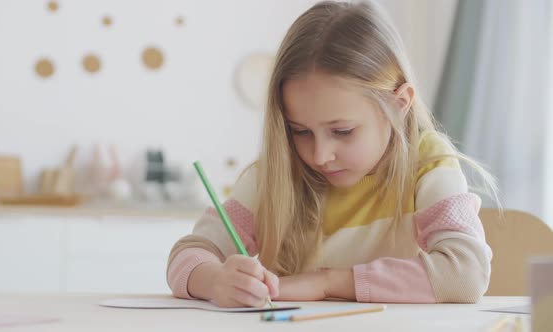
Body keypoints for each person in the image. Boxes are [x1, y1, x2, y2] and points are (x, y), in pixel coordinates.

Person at [167, 0, 498, 307]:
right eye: (301, 131)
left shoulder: (426, 165)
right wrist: (216, 281)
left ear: (399, 106)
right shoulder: (278, 173)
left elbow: (465, 274)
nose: (321, 155)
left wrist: (328, 283)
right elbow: (187, 256)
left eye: (342, 132)